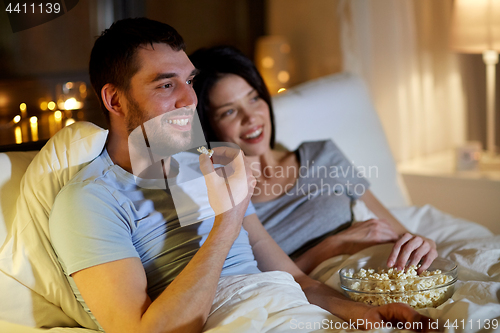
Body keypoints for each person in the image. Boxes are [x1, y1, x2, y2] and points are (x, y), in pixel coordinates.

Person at [49, 18, 434, 333]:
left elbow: (297, 281)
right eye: (167, 85)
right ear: (114, 99)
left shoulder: (208, 166)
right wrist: (227, 221)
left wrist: (365, 312)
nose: (189, 100)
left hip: (291, 312)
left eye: (189, 82)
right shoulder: (89, 201)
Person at [190, 45, 438, 275]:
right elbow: (263, 280)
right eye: (229, 111)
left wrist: (421, 243)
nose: (251, 117)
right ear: (209, 126)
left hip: (381, 272)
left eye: (254, 98)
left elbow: (397, 230)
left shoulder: (322, 154)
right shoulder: (228, 199)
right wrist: (332, 246)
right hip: (316, 295)